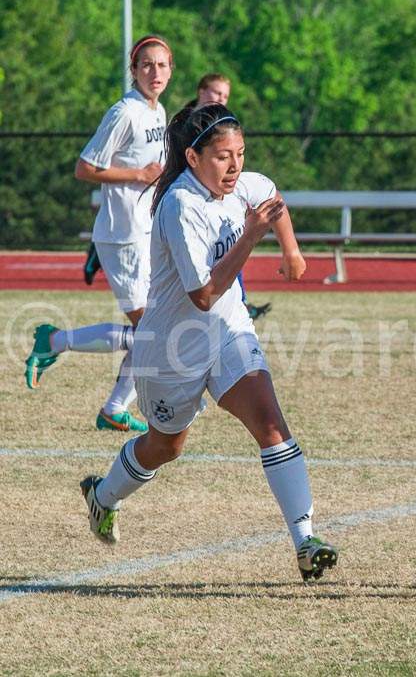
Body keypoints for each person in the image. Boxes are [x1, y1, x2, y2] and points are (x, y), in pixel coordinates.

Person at [78, 103, 337, 581]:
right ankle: (104, 496)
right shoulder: (180, 205)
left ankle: (305, 541)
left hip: (229, 332)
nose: (235, 165)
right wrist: (252, 237)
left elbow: (273, 196)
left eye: (239, 153)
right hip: (172, 348)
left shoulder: (244, 185)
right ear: (194, 159)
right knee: (165, 446)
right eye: (222, 156)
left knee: (272, 426)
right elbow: (203, 294)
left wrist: (291, 249)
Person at [24, 35, 172, 432]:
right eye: (146, 65)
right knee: (154, 333)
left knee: (155, 332)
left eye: (161, 65)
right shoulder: (124, 112)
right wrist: (138, 175)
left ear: (170, 69)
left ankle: (113, 409)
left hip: (144, 232)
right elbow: (85, 167)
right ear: (134, 69)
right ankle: (54, 342)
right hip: (122, 237)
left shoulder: (158, 112)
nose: (154, 72)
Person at [191, 73, 285, 320]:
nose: (221, 99)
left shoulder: (227, 124)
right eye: (216, 93)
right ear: (201, 92)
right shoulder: (185, 125)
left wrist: (291, 250)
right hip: (194, 211)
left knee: (230, 245)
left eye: (225, 95)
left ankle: (239, 302)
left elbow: (271, 194)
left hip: (219, 204)